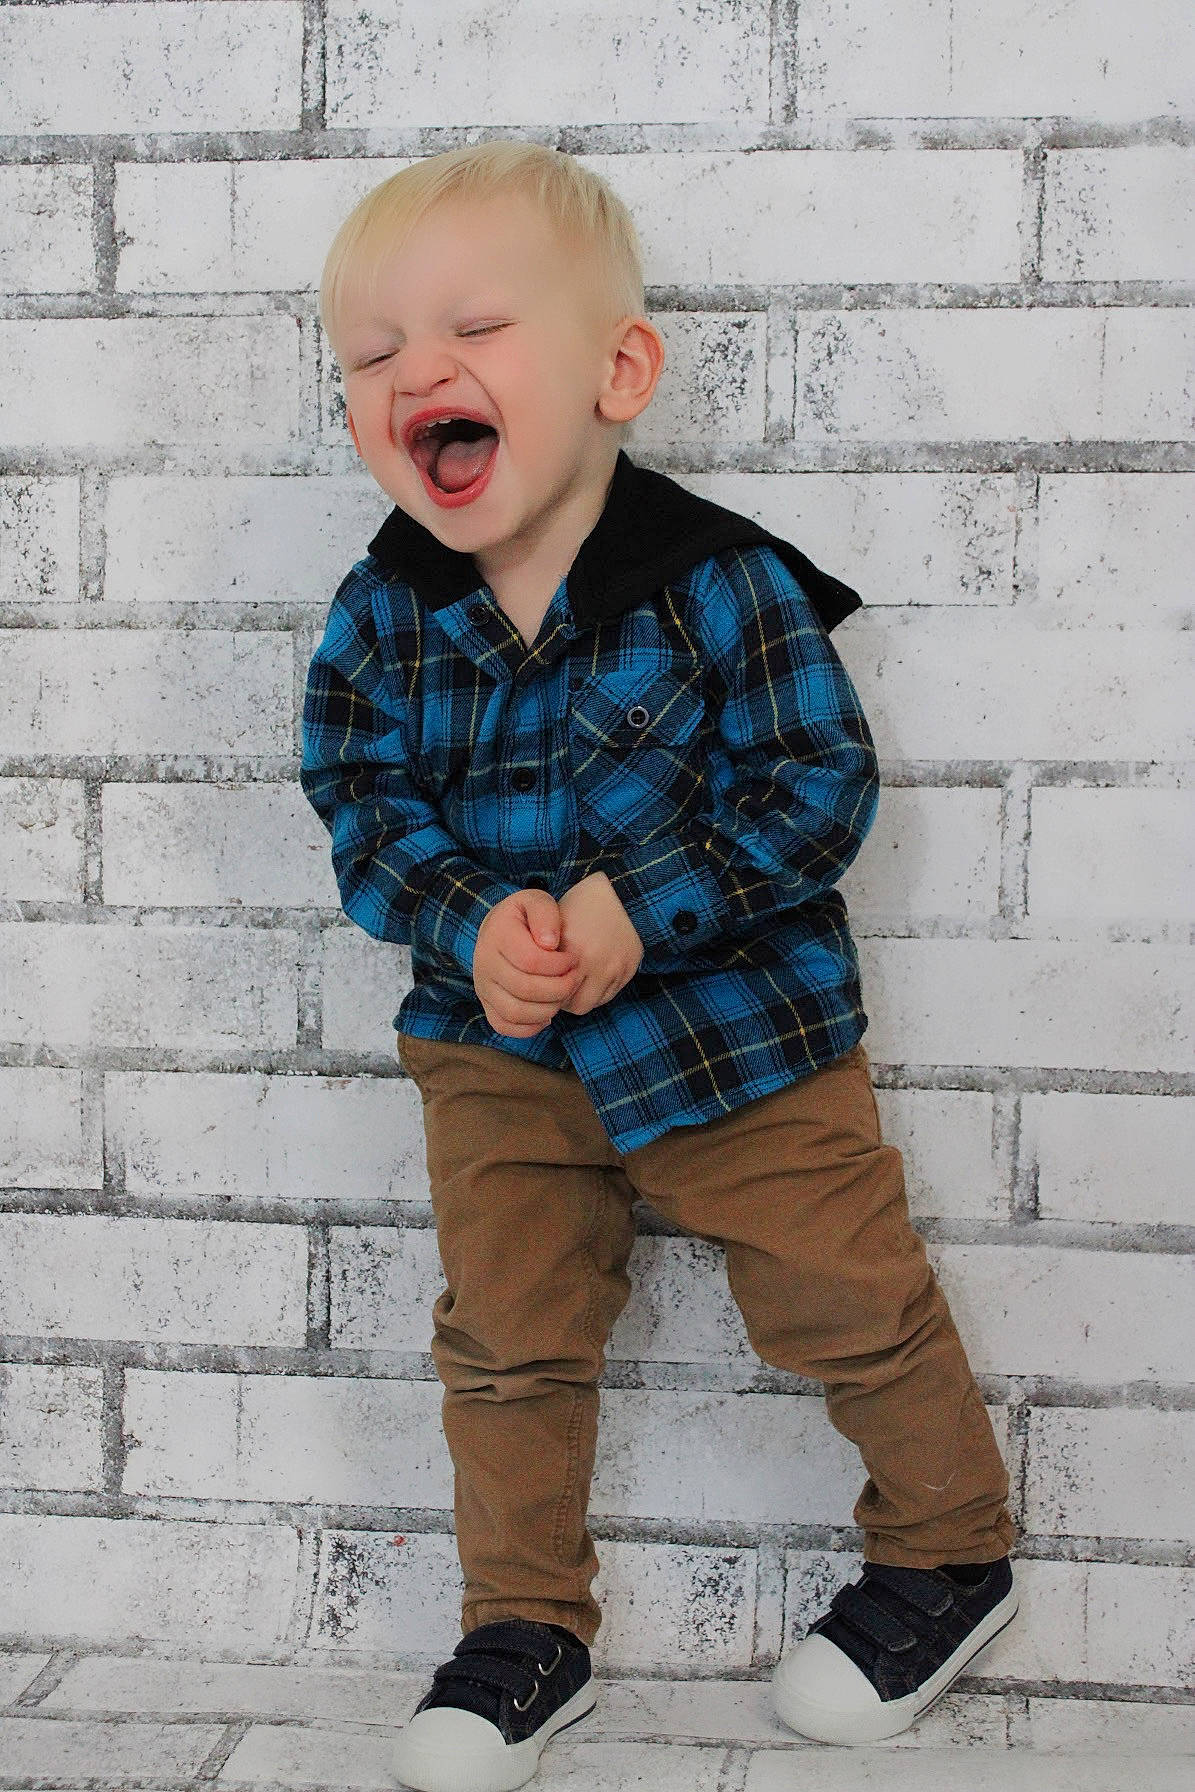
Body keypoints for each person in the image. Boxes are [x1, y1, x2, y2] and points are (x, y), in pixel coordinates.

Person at [300, 140, 1018, 1792]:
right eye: (371, 353)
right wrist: (472, 921)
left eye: (473, 325)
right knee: (507, 1340)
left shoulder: (718, 581)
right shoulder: (379, 616)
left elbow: (816, 787)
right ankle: (525, 1626)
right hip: (497, 1052)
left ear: (619, 368)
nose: (421, 372)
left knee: (845, 1295)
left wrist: (643, 907)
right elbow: (359, 800)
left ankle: (945, 1553)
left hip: (735, 1033)